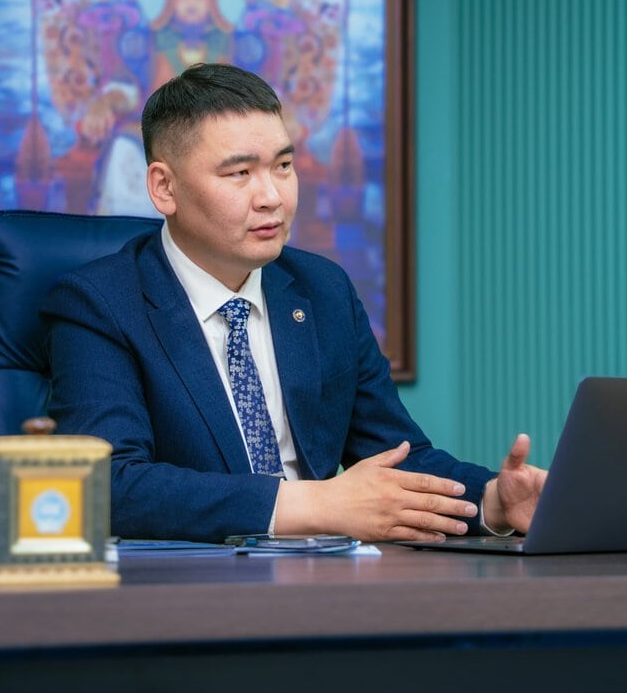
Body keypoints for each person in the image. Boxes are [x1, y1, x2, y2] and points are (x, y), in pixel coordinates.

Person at [42, 63, 547, 543]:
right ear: (164, 187)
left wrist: (490, 503)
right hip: (185, 595)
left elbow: (398, 457)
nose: (272, 197)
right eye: (240, 174)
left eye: (283, 166)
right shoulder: (100, 303)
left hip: (322, 582)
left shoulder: (321, 290)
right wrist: (315, 505)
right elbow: (108, 484)